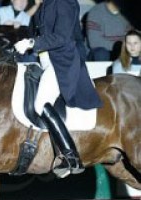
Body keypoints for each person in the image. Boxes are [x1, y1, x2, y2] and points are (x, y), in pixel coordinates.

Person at [14, 0, 103, 176]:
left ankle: (70, 156)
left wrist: (31, 43)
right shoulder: (47, 4)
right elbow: (41, 32)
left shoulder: (63, 2)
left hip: (62, 62)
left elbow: (62, 37)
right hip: (44, 60)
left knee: (40, 104)